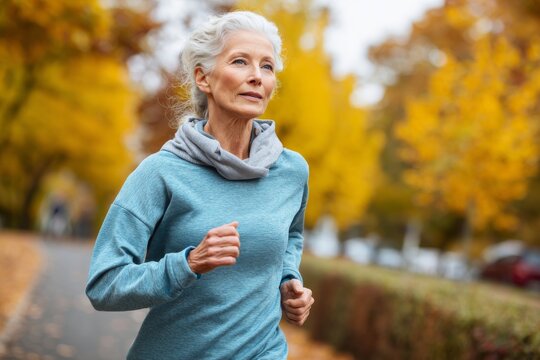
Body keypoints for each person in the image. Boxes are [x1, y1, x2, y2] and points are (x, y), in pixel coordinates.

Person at [86, 10, 314, 360]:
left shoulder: (291, 171)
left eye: (267, 67)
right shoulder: (161, 172)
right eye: (241, 61)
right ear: (203, 78)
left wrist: (288, 279)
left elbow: (292, 235)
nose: (256, 76)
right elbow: (104, 284)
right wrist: (188, 263)